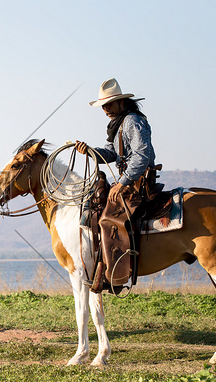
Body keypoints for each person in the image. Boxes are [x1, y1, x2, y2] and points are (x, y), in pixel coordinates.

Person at [75, 78, 157, 289]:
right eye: (103, 106)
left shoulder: (132, 121)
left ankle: (115, 276)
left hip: (137, 183)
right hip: (129, 181)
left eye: (109, 104)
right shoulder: (118, 124)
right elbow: (111, 153)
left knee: (106, 219)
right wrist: (91, 151)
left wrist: (122, 182)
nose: (105, 109)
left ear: (121, 102)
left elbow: (142, 155)